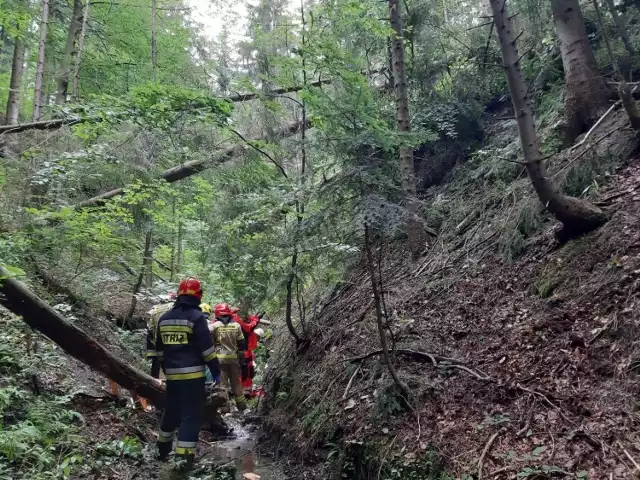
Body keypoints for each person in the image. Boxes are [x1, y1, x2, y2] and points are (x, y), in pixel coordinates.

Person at [154, 278, 221, 468]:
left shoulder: (164, 318)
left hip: (173, 377)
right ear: (198, 295)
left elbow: (159, 351)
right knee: (190, 416)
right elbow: (207, 351)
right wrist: (216, 372)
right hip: (193, 378)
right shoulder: (197, 318)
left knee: (171, 413)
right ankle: (183, 460)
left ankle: (161, 451)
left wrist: (167, 370)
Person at [209, 303, 247, 413]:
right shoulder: (236, 326)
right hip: (234, 359)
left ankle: (225, 410)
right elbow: (241, 344)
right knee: (236, 384)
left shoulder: (214, 326)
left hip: (219, 360)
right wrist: (243, 361)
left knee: (222, 385)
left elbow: (209, 342)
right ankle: (243, 408)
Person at [234, 312, 262, 398]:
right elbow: (249, 327)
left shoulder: (238, 323)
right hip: (242, 352)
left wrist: (255, 318)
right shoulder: (240, 325)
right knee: (244, 372)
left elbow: (249, 326)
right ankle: (241, 392)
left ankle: (246, 391)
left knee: (249, 372)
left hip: (246, 352)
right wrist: (256, 319)